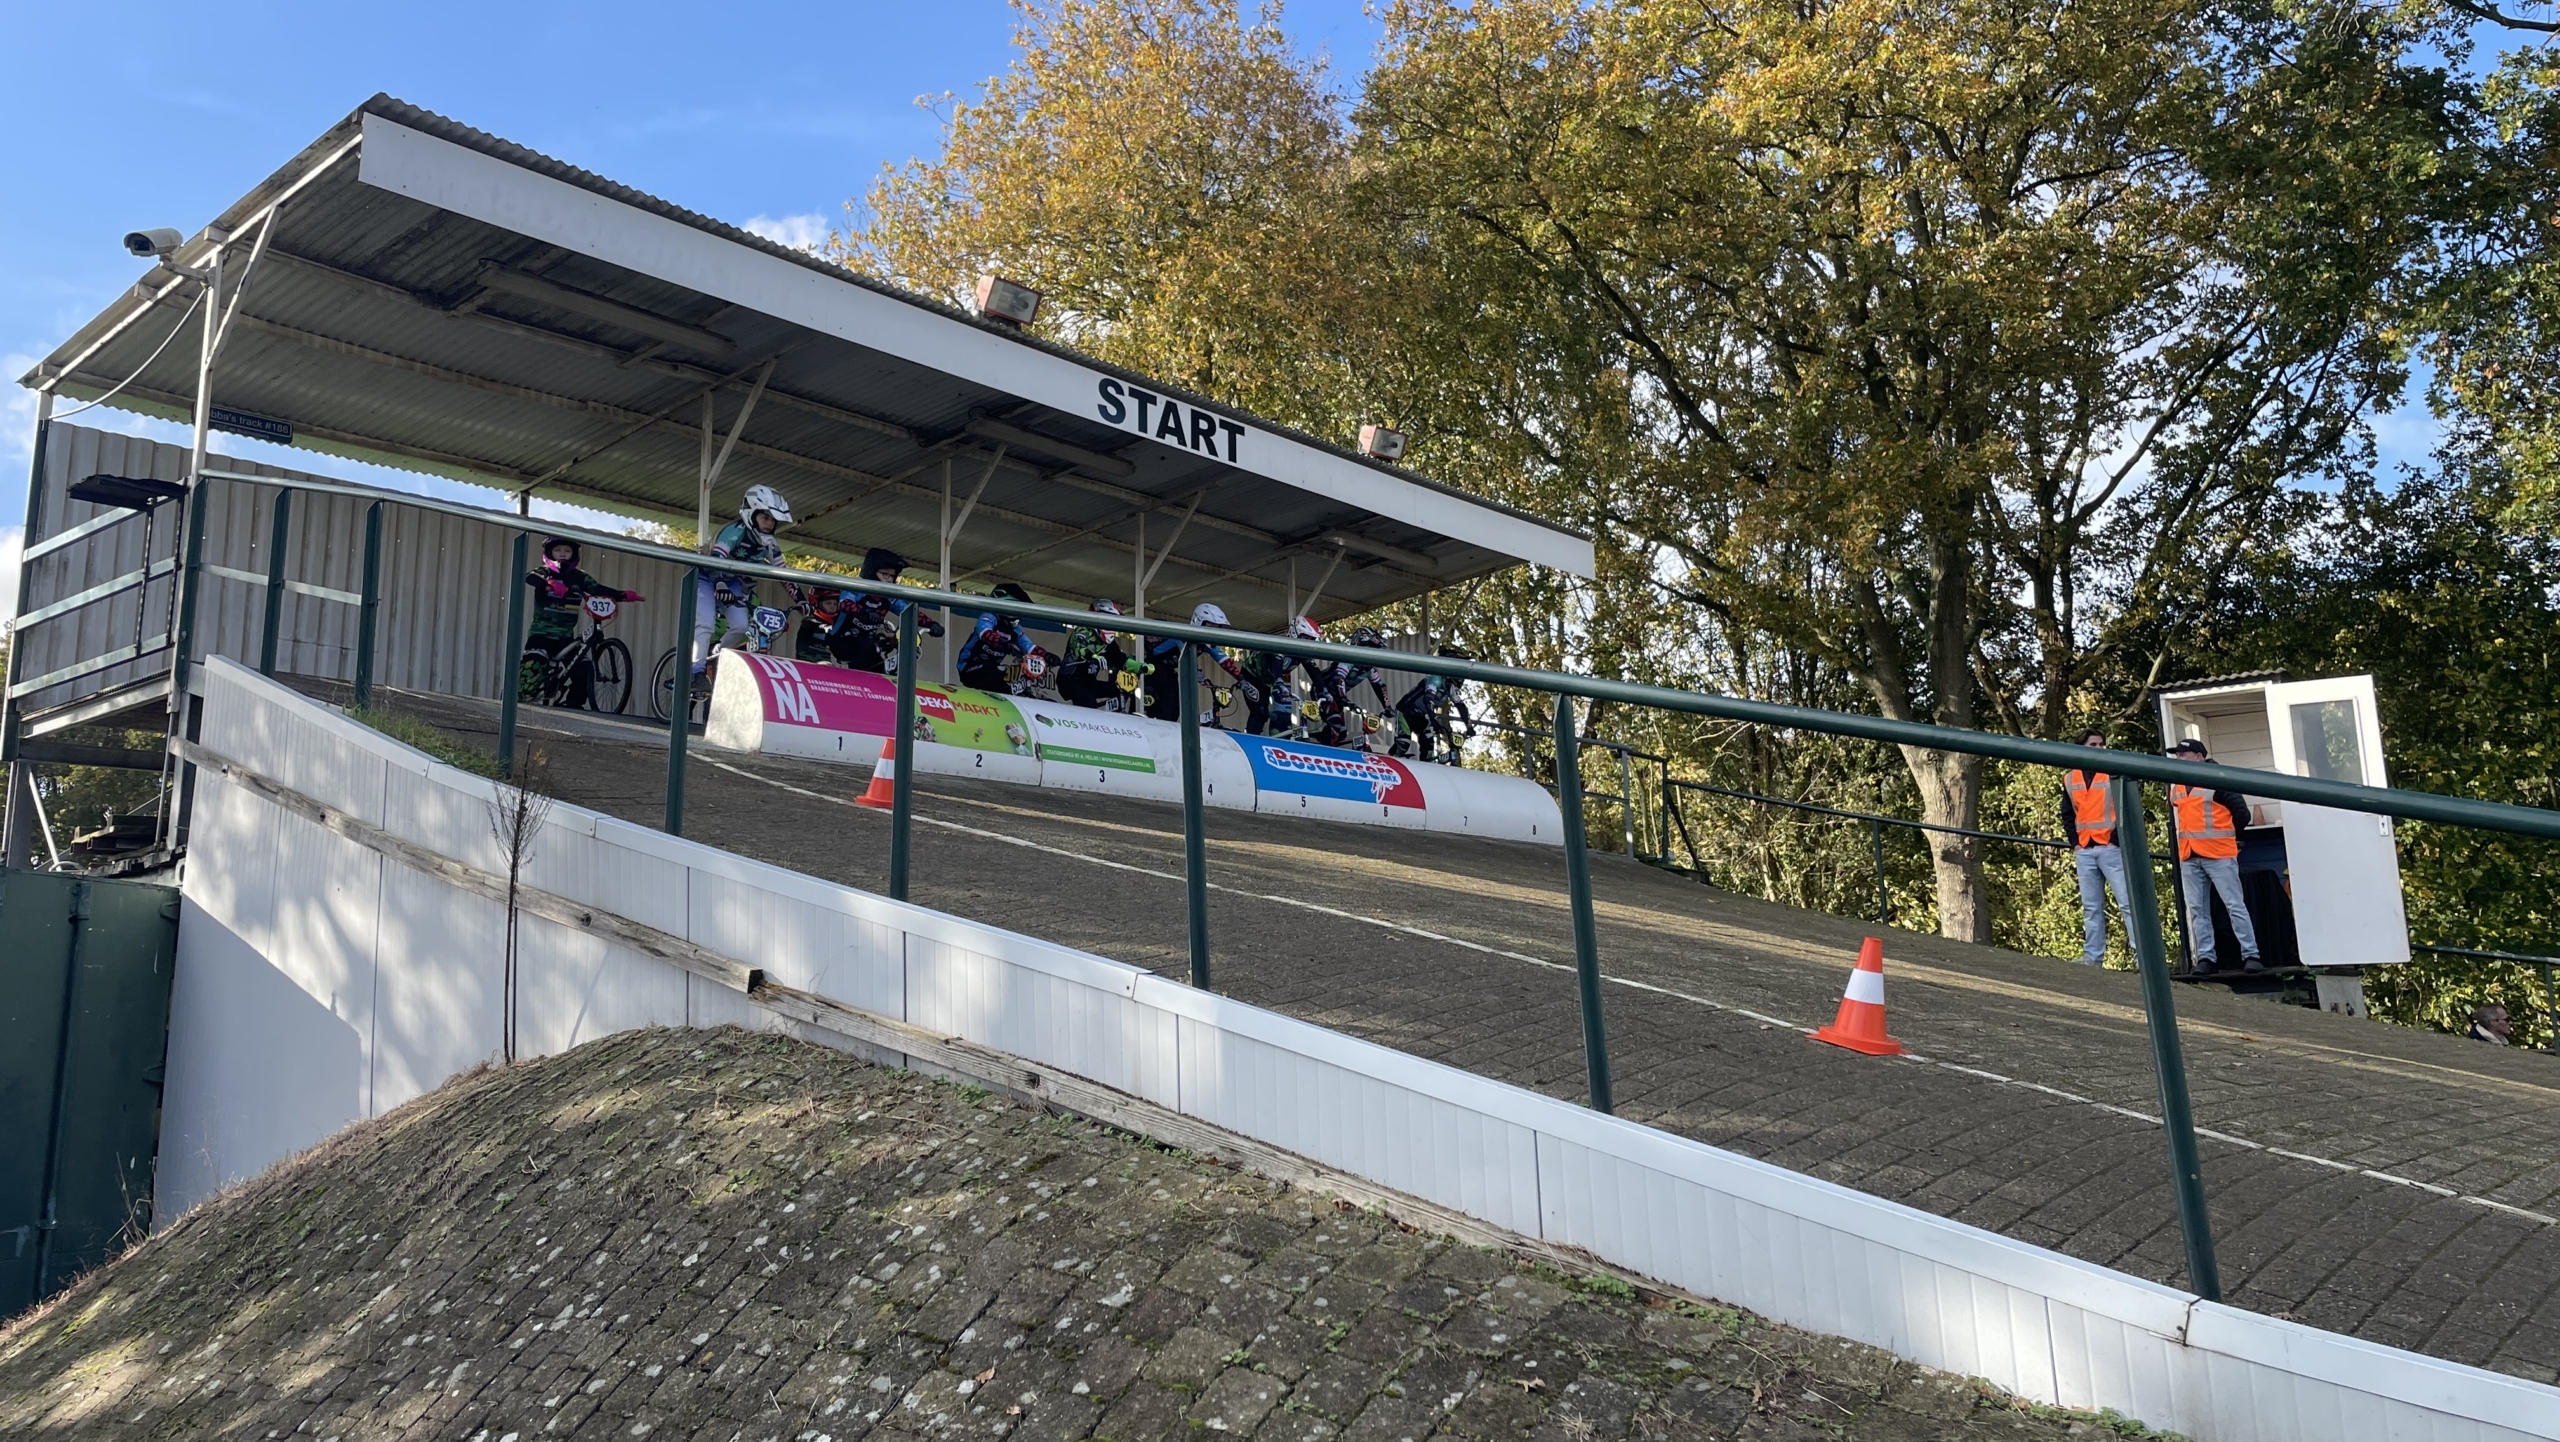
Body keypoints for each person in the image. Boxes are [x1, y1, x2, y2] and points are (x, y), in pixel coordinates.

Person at [2168, 738, 2262, 974]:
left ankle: (2251, 954)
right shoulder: (2177, 784)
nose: (2179, 759)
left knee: (2234, 905)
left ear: (2199, 757)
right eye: (2177, 755)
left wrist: (2234, 838)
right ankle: (2206, 958)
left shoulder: (2217, 778)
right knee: (2197, 909)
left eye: (2183, 754)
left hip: (2218, 853)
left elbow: (2241, 813)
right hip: (2189, 854)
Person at [521, 536, 643, 707]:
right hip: (541, 635)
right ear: (549, 553)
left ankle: (573, 707)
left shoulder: (580, 577)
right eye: (557, 550)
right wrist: (549, 583)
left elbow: (597, 589)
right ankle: (520, 698)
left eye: (567, 551)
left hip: (566, 638)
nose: (562, 554)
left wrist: (623, 595)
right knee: (534, 663)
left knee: (585, 669)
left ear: (574, 554)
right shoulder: (544, 572)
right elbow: (530, 577)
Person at [693, 485, 791, 677]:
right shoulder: (735, 531)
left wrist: (802, 600)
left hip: (729, 581)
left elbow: (783, 572)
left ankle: (716, 654)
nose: (770, 524)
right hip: (706, 576)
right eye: (765, 517)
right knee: (705, 623)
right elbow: (716, 559)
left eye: (773, 519)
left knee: (741, 626)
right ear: (751, 514)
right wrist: (719, 584)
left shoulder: (770, 542)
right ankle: (694, 671)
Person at [2062, 728, 2129, 968]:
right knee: (2091, 907)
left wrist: (2115, 839)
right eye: (2094, 745)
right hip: (2086, 849)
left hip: (2109, 848)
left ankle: (2142, 957)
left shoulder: (2112, 773)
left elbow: (2126, 807)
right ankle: (2093, 957)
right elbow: (2067, 813)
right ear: (2082, 747)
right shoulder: (2070, 777)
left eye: (2102, 744)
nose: (2100, 748)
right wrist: (2075, 843)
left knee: (2126, 903)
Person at [827, 548, 945, 674]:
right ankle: (845, 675)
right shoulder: (857, 588)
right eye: (885, 574)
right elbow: (845, 604)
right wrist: (864, 613)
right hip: (841, 641)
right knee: (868, 647)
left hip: (867, 646)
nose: (889, 579)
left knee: (880, 657)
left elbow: (908, 612)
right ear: (872, 572)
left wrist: (932, 624)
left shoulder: (888, 597)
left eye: (892, 576)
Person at [1142, 603, 1240, 721]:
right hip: (1150, 666)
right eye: (1211, 625)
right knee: (1165, 706)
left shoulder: (1206, 643)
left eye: (1218, 627)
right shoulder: (1183, 635)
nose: (1215, 630)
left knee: (1175, 709)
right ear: (1199, 622)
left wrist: (1242, 679)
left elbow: (1224, 661)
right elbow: (1187, 657)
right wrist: (1200, 676)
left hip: (1167, 669)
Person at [1237, 615, 1320, 736]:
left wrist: (1324, 691)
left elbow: (1314, 671)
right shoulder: (1281, 644)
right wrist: (1280, 682)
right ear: (1294, 633)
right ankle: (1251, 739)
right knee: (1259, 712)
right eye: (1305, 637)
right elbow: (1277, 663)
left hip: (1267, 680)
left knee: (1264, 713)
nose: (1308, 641)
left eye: (1311, 639)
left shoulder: (1303, 652)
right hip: (1251, 674)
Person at [958, 583, 1045, 693]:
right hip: (968, 667)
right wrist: (1004, 644)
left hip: (991, 669)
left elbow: (1028, 647)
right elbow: (986, 633)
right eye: (1015, 609)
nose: (1017, 614)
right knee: (998, 671)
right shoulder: (989, 617)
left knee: (1008, 688)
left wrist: (1046, 655)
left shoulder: (1015, 628)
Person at [1392, 646, 1473, 764]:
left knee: (1429, 746)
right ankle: (1391, 760)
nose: (1461, 677)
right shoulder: (1436, 679)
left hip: (1421, 716)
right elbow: (1428, 699)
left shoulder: (1450, 686)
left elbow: (1460, 706)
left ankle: (1425, 768)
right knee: (1403, 743)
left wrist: (1469, 726)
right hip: (1406, 711)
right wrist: (1433, 719)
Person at [1060, 598, 1140, 709]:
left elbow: (1120, 659)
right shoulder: (1083, 630)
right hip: (1069, 681)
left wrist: (1140, 666)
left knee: (1118, 690)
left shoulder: (1109, 642)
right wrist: (1093, 655)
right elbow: (1078, 649)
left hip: (1089, 682)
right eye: (1110, 620)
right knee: (1088, 703)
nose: (1112, 625)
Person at [795, 588, 845, 665]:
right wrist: (824, 627)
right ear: (817, 603)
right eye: (828, 603)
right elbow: (811, 623)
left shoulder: (837, 624)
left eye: (835, 604)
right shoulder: (808, 619)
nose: (832, 607)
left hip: (829, 668)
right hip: (806, 665)